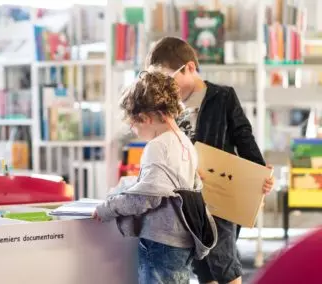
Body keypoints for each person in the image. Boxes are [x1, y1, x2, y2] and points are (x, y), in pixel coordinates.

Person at [145, 36, 275, 284]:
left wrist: (259, 174)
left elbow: (243, 136)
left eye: (170, 79)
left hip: (220, 193)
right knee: (201, 264)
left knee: (223, 258)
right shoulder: (168, 107)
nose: (167, 87)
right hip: (187, 196)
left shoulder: (222, 97)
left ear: (190, 68)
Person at [93, 71, 217, 284]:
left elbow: (145, 199)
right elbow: (164, 186)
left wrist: (107, 208)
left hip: (161, 243)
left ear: (146, 118)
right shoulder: (184, 142)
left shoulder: (158, 147)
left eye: (133, 124)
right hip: (182, 241)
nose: (134, 130)